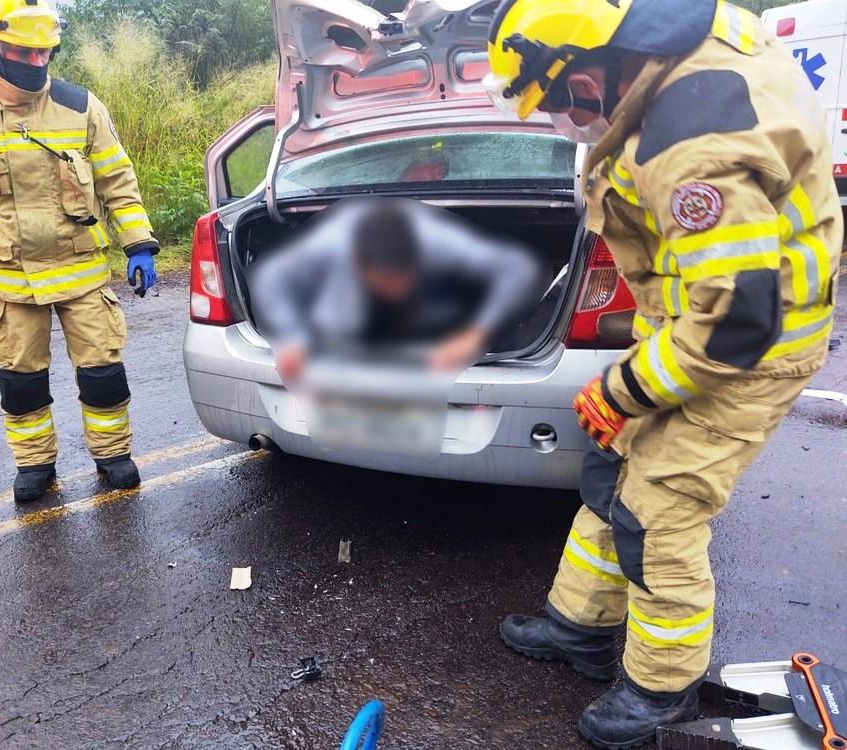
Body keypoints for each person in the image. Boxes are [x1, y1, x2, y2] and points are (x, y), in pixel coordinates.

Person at [484, 0, 842, 747]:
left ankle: (661, 688)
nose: (559, 119)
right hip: (685, 333)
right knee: (611, 469)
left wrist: (620, 389)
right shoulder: (661, 66)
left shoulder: (692, 146)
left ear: (589, 68)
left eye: (554, 101)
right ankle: (581, 626)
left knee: (661, 511)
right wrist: (626, 397)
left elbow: (736, 321)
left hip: (750, 354)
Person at [0, 0, 160, 503]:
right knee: (22, 382)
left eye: (45, 53)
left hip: (81, 267)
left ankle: (113, 454)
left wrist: (139, 243)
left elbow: (118, 181)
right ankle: (35, 466)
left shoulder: (81, 106)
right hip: (12, 278)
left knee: (103, 372)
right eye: (25, 52)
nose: (37, 63)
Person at [248, 197, 545, 384]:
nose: (393, 290)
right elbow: (271, 277)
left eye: (400, 279)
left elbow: (520, 268)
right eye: (383, 281)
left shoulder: (440, 241)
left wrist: (477, 333)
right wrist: (291, 338)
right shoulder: (330, 247)